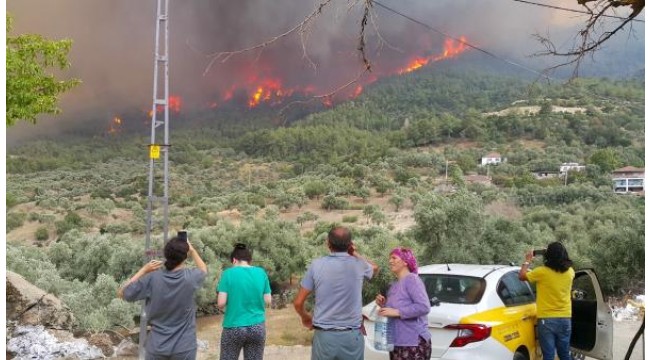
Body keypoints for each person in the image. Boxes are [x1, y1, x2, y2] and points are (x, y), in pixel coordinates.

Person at [293, 226, 379, 360]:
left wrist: (305, 317)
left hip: (324, 337)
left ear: (328, 243)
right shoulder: (359, 265)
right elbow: (375, 268)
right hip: (352, 337)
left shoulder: (316, 265)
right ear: (350, 244)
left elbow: (298, 302)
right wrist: (355, 254)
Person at [118, 236, 208, 360]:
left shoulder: (152, 279)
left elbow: (123, 293)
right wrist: (192, 250)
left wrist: (143, 270)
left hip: (157, 347)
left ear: (166, 255)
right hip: (184, 347)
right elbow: (203, 269)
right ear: (184, 257)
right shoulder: (190, 278)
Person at [519, 241, 575, 360]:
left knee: (548, 355)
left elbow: (522, 275)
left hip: (547, 320)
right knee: (564, 354)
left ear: (548, 256)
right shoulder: (571, 272)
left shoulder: (541, 272)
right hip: (565, 319)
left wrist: (528, 260)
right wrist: (550, 252)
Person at [216, 243, 272, 360]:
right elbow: (268, 300)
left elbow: (221, 303)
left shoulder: (228, 274)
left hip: (234, 326)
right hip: (257, 326)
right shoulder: (261, 272)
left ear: (234, 260)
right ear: (249, 260)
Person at [375, 247, 431, 360]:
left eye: (394, 258)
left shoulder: (412, 280)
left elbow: (424, 307)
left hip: (413, 342)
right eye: (390, 258)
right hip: (396, 341)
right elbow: (395, 310)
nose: (390, 261)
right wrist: (384, 305)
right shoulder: (394, 285)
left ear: (405, 261)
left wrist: (397, 312)